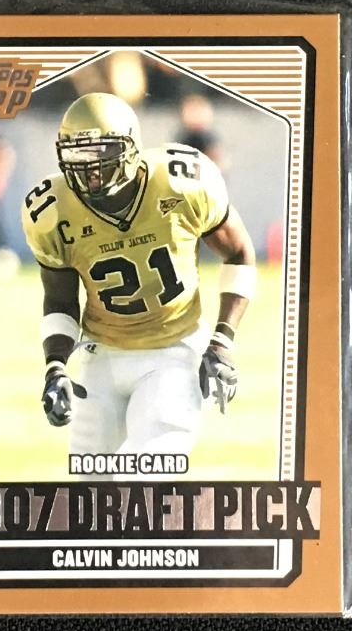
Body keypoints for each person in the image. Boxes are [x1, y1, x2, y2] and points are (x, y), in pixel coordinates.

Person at [21, 92, 254, 469]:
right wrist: (56, 367)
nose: (90, 170)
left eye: (102, 153)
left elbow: (239, 252)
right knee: (91, 492)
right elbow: (60, 300)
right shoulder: (52, 209)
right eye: (78, 156)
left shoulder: (182, 184)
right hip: (99, 356)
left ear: (131, 147)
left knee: (141, 478)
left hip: (173, 351)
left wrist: (222, 343)